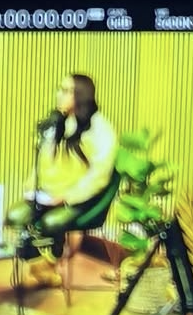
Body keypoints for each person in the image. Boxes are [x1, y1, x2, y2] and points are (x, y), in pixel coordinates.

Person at [8, 73, 117, 288]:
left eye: (66, 91)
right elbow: (42, 164)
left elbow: (99, 176)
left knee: (51, 222)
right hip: (49, 195)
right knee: (15, 216)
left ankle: (49, 266)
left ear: (81, 96)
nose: (59, 95)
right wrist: (33, 190)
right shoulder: (58, 122)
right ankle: (45, 268)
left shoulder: (101, 129)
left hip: (80, 198)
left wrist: (67, 197)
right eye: (60, 89)